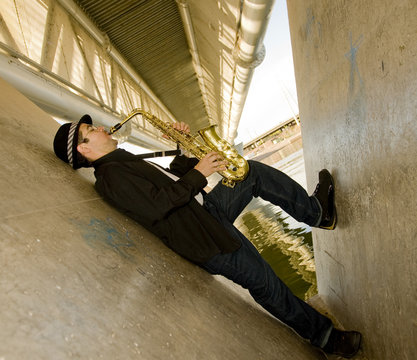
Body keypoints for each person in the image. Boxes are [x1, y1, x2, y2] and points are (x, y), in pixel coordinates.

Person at [53, 115, 362, 358]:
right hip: (203, 237)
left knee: (249, 172)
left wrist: (182, 150)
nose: (102, 129)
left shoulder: (121, 160)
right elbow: (158, 206)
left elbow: (172, 181)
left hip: (204, 211)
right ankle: (326, 337)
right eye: (91, 130)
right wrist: (199, 172)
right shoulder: (109, 178)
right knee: (264, 282)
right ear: (83, 148)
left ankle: (317, 213)